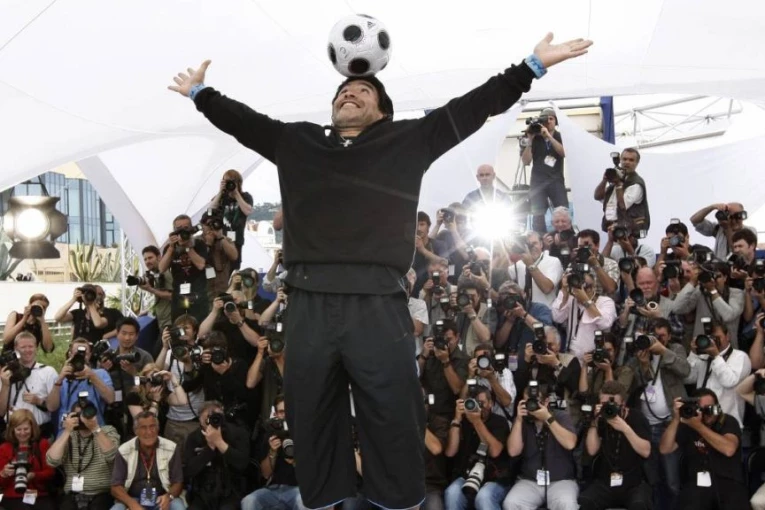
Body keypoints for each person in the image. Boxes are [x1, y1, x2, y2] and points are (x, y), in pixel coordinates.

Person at [169, 33, 592, 509]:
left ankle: (399, 502)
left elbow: (471, 108)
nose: (349, 93)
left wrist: (531, 66)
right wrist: (200, 93)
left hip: (377, 302)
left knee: (393, 412)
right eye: (343, 91)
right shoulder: (298, 141)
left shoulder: (406, 140)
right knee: (310, 413)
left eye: (363, 91)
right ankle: (325, 500)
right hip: (308, 300)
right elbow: (244, 122)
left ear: (383, 112)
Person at [659, 389, 749, 510]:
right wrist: (676, 419)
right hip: (696, 484)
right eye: (701, 409)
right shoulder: (688, 423)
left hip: (728, 483)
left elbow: (729, 449)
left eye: (710, 408)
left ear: (718, 407)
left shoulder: (727, 421)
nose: (707, 413)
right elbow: (665, 449)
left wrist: (698, 426)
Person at [577, 381, 652, 510]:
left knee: (640, 504)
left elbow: (646, 451)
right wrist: (595, 422)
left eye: (613, 404)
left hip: (633, 482)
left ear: (623, 404)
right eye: (604, 404)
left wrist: (625, 428)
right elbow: (592, 450)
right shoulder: (599, 418)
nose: (608, 407)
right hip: (605, 481)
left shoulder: (637, 417)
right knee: (585, 500)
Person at [47, 401, 121, 510]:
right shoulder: (69, 435)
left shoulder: (107, 431)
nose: (82, 419)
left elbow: (113, 456)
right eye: (78, 416)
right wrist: (66, 431)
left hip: (101, 493)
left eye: (85, 415)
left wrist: (95, 428)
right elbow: (52, 461)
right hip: (72, 494)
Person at [111, 411, 185, 510]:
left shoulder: (171, 448)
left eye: (152, 426)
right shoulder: (124, 450)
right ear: (135, 431)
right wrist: (132, 504)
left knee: (178, 507)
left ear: (158, 428)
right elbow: (115, 487)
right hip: (133, 499)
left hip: (162, 498)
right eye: (143, 428)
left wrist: (168, 497)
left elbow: (178, 482)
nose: (149, 432)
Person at [183, 401, 250, 510]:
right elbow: (188, 471)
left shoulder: (237, 433)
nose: (212, 422)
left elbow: (242, 464)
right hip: (202, 493)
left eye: (216, 417)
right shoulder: (194, 438)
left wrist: (219, 442)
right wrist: (210, 448)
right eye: (208, 419)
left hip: (231, 491)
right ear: (200, 421)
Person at [521, 108, 567, 234]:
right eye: (545, 119)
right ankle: (540, 240)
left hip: (556, 181)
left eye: (551, 119)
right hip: (538, 182)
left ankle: (562, 239)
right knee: (538, 216)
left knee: (562, 212)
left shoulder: (560, 136)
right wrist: (530, 140)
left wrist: (549, 137)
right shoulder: (535, 138)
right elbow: (526, 161)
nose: (548, 122)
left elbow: (563, 153)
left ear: (556, 121)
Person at [0, 409, 56, 510]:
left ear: (32, 428)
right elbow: (1, 483)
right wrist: (4, 473)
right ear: (12, 430)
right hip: (13, 496)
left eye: (26, 429)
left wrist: (34, 475)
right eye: (18, 429)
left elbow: (50, 472)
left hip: (39, 494)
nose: (22, 433)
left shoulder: (42, 444)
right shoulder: (5, 448)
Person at [594, 148, 650, 233]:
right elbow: (597, 196)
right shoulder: (617, 179)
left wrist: (618, 185)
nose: (627, 162)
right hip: (612, 227)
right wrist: (604, 179)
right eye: (624, 159)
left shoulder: (636, 183)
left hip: (629, 230)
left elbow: (622, 206)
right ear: (620, 160)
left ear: (637, 163)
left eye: (631, 160)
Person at [208, 169, 253, 270]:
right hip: (220, 239)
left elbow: (247, 211)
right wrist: (220, 192)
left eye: (231, 181)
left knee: (234, 268)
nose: (229, 184)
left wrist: (236, 194)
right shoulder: (221, 198)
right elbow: (210, 211)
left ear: (238, 182)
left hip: (236, 240)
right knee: (219, 267)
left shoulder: (245, 196)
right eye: (226, 181)